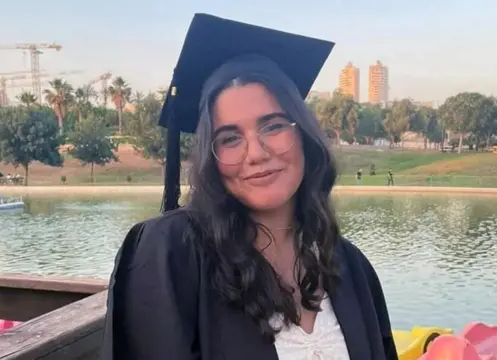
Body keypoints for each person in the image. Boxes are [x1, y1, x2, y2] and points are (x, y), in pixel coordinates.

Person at [101, 13, 397, 360]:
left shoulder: (349, 266)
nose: (255, 153)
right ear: (210, 156)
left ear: (303, 133)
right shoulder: (172, 254)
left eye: (273, 127)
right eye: (229, 138)